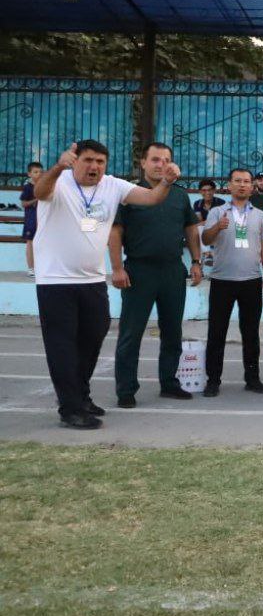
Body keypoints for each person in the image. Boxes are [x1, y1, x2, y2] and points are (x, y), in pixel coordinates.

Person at [33, 140, 180, 429]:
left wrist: (166, 181)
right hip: (55, 281)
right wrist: (58, 167)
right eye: (88, 160)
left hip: (92, 280)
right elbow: (40, 192)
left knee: (92, 339)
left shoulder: (113, 186)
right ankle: (70, 409)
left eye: (100, 162)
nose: (94, 167)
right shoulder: (59, 181)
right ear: (75, 161)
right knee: (62, 346)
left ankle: (82, 395)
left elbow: (151, 198)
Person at [108, 141, 202, 407]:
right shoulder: (129, 194)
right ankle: (126, 390)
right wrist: (117, 268)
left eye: (166, 160)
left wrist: (196, 261)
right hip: (139, 271)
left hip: (172, 270)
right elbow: (115, 231)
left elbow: (190, 229)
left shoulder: (180, 195)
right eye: (156, 159)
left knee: (172, 331)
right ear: (143, 163)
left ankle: (169, 383)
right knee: (131, 333)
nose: (162, 165)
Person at [201, 168, 263, 397]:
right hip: (222, 280)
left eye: (247, 181)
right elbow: (205, 239)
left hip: (251, 280)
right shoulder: (217, 212)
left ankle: (252, 378)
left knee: (251, 332)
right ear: (229, 185)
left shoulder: (260, 215)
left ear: (252, 187)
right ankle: (213, 380)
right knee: (217, 332)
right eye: (238, 181)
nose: (242, 185)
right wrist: (217, 227)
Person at [21, 161, 41, 277]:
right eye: (35, 172)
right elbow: (23, 203)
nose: (38, 174)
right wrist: (36, 200)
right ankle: (31, 268)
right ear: (29, 174)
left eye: (40, 172)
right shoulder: (28, 187)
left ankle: (40, 267)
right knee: (30, 243)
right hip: (31, 219)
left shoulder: (43, 186)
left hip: (42, 219)